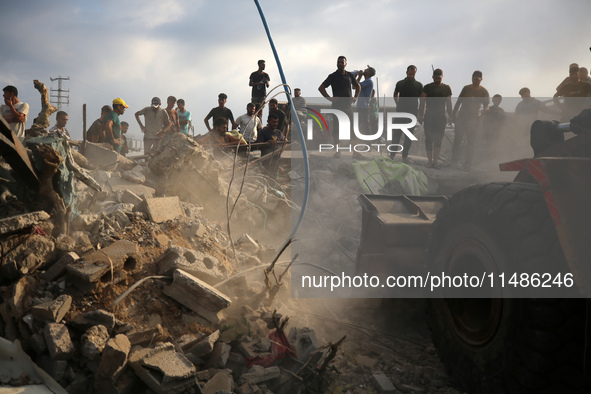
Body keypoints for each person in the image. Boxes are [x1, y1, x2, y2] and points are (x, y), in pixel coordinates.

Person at [318, 55, 360, 157]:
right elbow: (321, 88)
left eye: (342, 62)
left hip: (348, 107)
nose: (340, 64)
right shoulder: (333, 76)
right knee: (337, 129)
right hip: (337, 107)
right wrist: (330, 98)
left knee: (353, 129)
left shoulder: (350, 75)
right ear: (337, 64)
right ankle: (338, 151)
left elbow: (358, 86)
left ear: (346, 63)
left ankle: (355, 152)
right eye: (339, 62)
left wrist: (356, 97)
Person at [451, 70, 490, 168]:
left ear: (481, 79)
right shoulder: (466, 88)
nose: (475, 81)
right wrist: (453, 114)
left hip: (474, 119)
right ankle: (454, 161)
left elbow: (486, 105)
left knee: (471, 142)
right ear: (472, 78)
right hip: (462, 118)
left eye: (477, 79)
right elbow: (458, 102)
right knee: (457, 139)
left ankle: (468, 163)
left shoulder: (483, 91)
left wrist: (486, 109)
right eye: (474, 79)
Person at [418, 68, 453, 169]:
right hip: (429, 116)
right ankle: (429, 161)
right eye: (436, 78)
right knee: (429, 139)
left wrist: (450, 115)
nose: (438, 80)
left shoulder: (446, 88)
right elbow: (422, 102)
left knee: (438, 139)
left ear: (442, 77)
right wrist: (421, 115)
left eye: (439, 78)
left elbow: (449, 103)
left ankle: (436, 161)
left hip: (441, 117)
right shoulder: (427, 87)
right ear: (433, 77)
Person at [392, 65, 423, 162]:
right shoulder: (400, 83)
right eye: (410, 74)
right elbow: (395, 93)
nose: (411, 76)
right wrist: (397, 103)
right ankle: (392, 155)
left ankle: (404, 156)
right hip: (400, 112)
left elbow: (422, 101)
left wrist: (421, 114)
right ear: (406, 72)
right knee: (396, 135)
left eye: (413, 74)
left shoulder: (418, 85)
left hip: (412, 114)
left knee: (408, 136)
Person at [356, 66, 376, 135]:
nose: (364, 70)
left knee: (366, 126)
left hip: (364, 107)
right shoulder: (365, 82)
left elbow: (355, 85)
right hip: (360, 106)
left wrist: (359, 76)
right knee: (357, 125)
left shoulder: (368, 81)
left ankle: (369, 143)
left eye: (366, 70)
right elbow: (354, 87)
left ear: (369, 72)